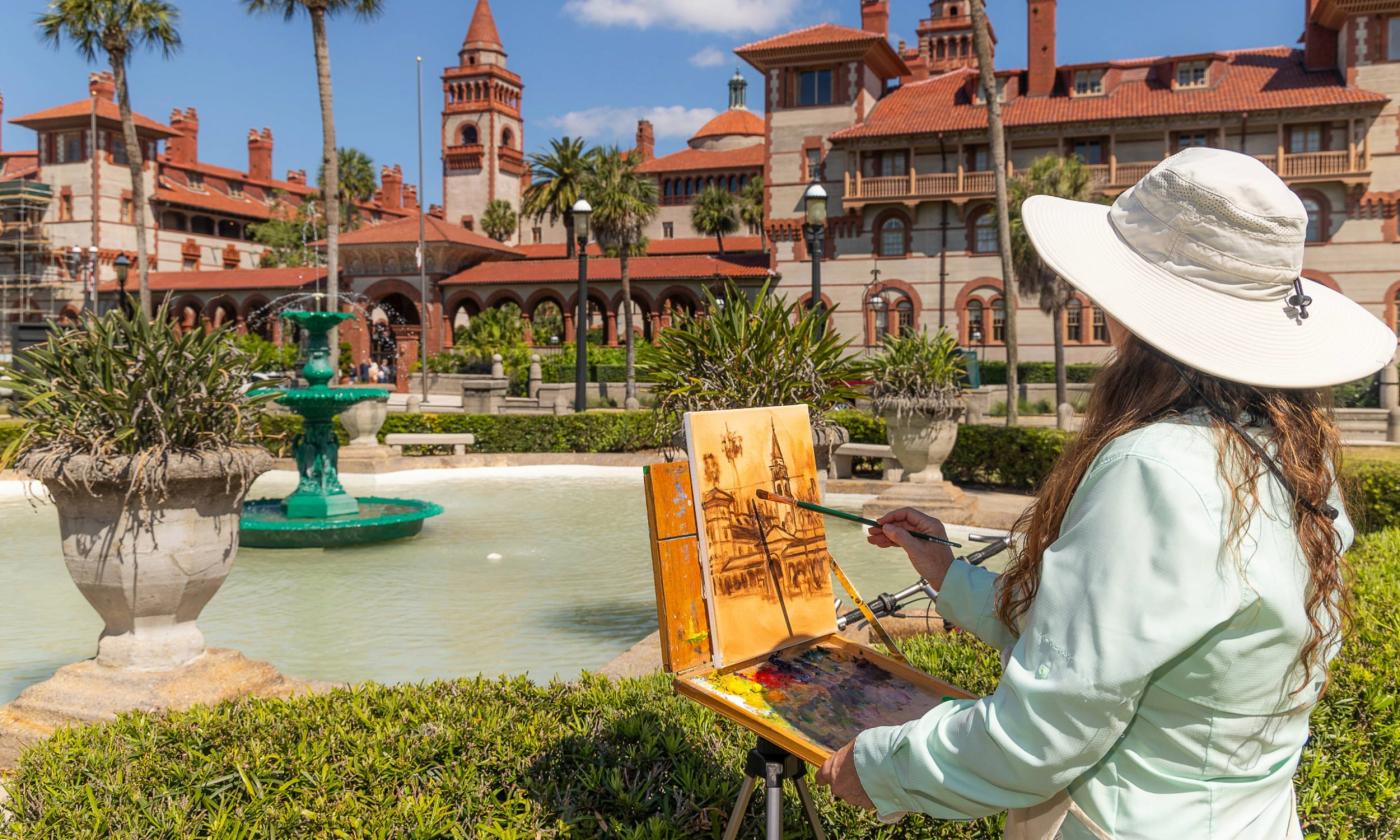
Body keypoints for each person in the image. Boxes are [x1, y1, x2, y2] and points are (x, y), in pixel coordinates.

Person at [814, 148, 1398, 839]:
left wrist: (881, 766)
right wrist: (950, 577)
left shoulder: (1155, 466)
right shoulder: (1289, 455)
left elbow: (1040, 737)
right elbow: (1130, 636)